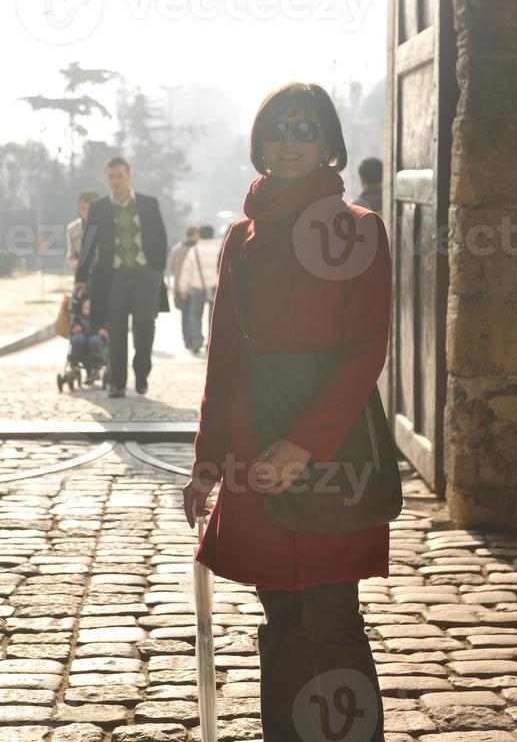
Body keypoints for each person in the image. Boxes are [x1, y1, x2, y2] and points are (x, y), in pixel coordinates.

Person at [182, 82, 391, 742]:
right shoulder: (240, 240)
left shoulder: (359, 230)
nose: (291, 140)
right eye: (278, 128)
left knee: (332, 619)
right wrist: (207, 466)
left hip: (332, 451)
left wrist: (305, 444)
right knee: (281, 620)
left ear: (330, 143)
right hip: (254, 449)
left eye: (307, 129)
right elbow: (225, 358)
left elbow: (365, 350)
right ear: (260, 145)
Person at [75, 156, 169, 398]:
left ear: (129, 177)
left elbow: (161, 238)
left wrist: (156, 270)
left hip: (145, 277)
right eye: (111, 177)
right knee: (116, 331)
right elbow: (88, 246)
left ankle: (141, 374)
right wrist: (81, 279)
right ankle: (117, 382)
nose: (115, 181)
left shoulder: (149, 204)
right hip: (113, 278)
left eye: (120, 176)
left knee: (145, 327)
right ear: (107, 179)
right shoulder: (99, 208)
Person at [178, 224, 222, 354]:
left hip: (197, 286)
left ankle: (197, 341)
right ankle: (212, 342)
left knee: (195, 315)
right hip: (215, 286)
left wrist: (183, 288)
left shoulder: (194, 250)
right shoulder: (219, 248)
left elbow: (187, 270)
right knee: (213, 317)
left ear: (200, 235)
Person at [167, 226, 200, 349]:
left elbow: (171, 266)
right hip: (194, 286)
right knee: (194, 314)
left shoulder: (177, 249)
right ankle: (194, 339)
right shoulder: (196, 249)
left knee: (185, 315)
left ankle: (187, 340)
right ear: (195, 235)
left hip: (179, 288)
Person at [68, 289, 108, 383]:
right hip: (82, 336)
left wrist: (104, 330)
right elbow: (73, 322)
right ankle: (74, 364)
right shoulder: (78, 317)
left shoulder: (99, 316)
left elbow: (104, 325)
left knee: (95, 341)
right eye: (84, 308)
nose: (86, 311)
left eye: (89, 309)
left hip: (95, 336)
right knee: (77, 339)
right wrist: (74, 327)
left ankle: (95, 367)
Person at [66, 190, 99, 271]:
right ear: (79, 209)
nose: (87, 213)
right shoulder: (72, 228)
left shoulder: (108, 226)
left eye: (91, 209)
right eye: (83, 209)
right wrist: (74, 263)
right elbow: (71, 256)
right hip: (83, 273)